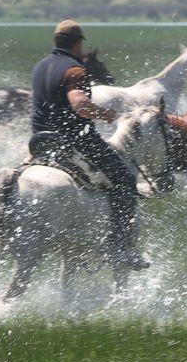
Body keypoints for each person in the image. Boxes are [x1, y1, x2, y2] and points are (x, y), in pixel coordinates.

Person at [28, 19, 148, 272]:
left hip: (40, 141)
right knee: (125, 181)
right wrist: (108, 116)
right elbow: (80, 105)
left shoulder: (39, 66)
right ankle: (121, 248)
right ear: (78, 43)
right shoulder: (75, 70)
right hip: (76, 141)